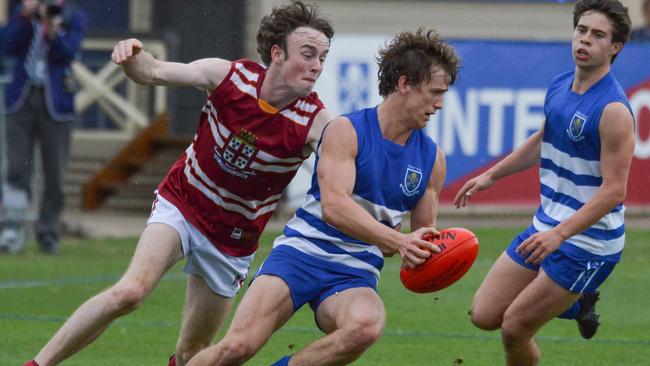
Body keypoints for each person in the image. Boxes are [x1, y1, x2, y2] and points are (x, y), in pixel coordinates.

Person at [22, 2, 334, 366]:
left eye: (323, 57)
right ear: (277, 53)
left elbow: (353, 159)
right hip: (183, 203)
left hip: (233, 239)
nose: (316, 65)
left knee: (192, 355)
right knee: (131, 291)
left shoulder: (317, 122)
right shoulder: (228, 76)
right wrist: (132, 56)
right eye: (308, 54)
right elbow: (152, 72)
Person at [186, 28, 461, 366]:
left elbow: (422, 236)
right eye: (434, 92)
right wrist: (398, 241)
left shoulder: (432, 160)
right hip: (301, 255)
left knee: (366, 326)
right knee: (236, 348)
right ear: (404, 84)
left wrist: (429, 255)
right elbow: (334, 206)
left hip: (355, 271)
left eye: (443, 94)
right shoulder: (347, 131)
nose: (440, 104)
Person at [453, 1, 635, 365]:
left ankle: (578, 290)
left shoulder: (614, 110)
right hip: (546, 226)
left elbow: (615, 191)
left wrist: (560, 235)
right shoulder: (560, 85)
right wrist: (491, 175)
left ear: (615, 47)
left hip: (588, 243)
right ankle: (579, 301)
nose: (585, 40)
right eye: (581, 30)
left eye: (597, 35)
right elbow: (543, 140)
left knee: (514, 328)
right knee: (484, 315)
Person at [0, 0, 87, 254]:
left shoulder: (73, 15)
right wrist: (24, 17)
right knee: (16, 169)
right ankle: (12, 231)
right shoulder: (23, 14)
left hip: (56, 104)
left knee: (55, 175)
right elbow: (6, 46)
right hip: (21, 101)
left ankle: (48, 233)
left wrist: (52, 28)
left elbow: (69, 53)